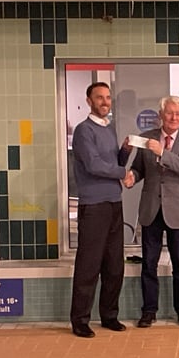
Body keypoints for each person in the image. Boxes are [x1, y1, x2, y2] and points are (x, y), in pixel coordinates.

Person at [126, 95, 179, 328]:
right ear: (161, 115)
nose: (174, 118)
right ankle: (149, 311)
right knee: (149, 263)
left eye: (178, 114)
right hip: (151, 209)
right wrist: (132, 177)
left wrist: (162, 153)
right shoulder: (147, 138)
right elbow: (140, 168)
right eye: (169, 113)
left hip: (178, 210)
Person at [69, 82, 130, 338]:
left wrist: (125, 152)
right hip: (93, 205)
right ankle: (80, 320)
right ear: (89, 100)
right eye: (100, 98)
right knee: (89, 265)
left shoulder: (110, 129)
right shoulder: (83, 131)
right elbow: (94, 165)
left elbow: (113, 162)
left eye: (107, 98)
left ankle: (109, 316)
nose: (105, 102)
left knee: (114, 265)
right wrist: (121, 172)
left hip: (114, 202)